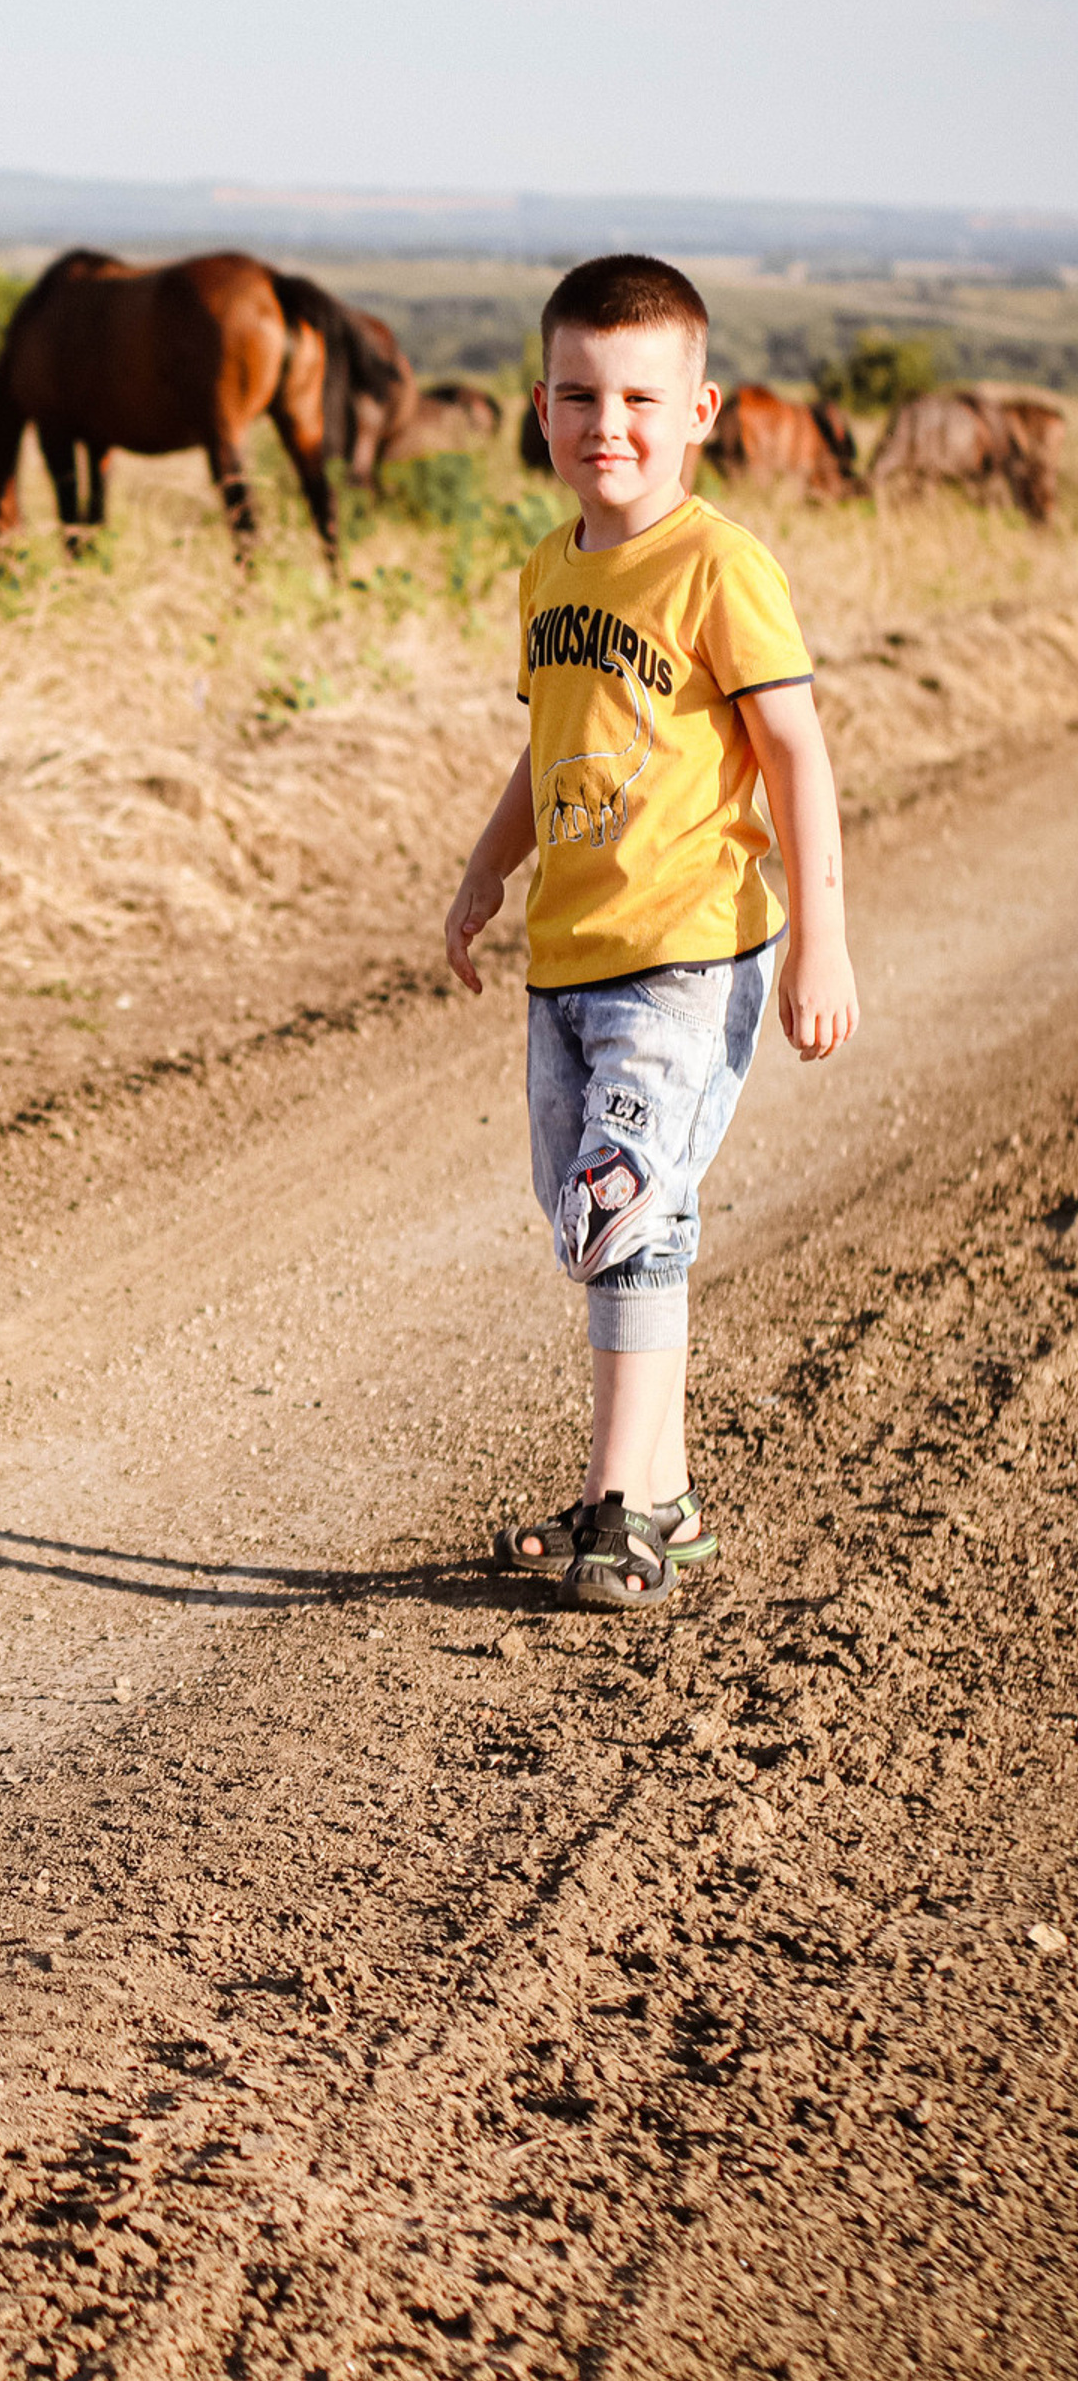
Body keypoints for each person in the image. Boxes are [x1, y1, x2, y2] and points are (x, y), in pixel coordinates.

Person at [443, 254, 859, 1609]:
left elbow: (792, 750)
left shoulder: (719, 567)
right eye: (576, 395)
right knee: (601, 1218)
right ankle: (662, 1504)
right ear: (542, 407)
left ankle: (612, 1509)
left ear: (700, 411)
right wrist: (483, 874)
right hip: (568, 955)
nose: (604, 424)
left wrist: (820, 939)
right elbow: (543, 742)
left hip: (689, 949)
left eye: (637, 396)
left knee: (621, 1207)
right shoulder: (548, 570)